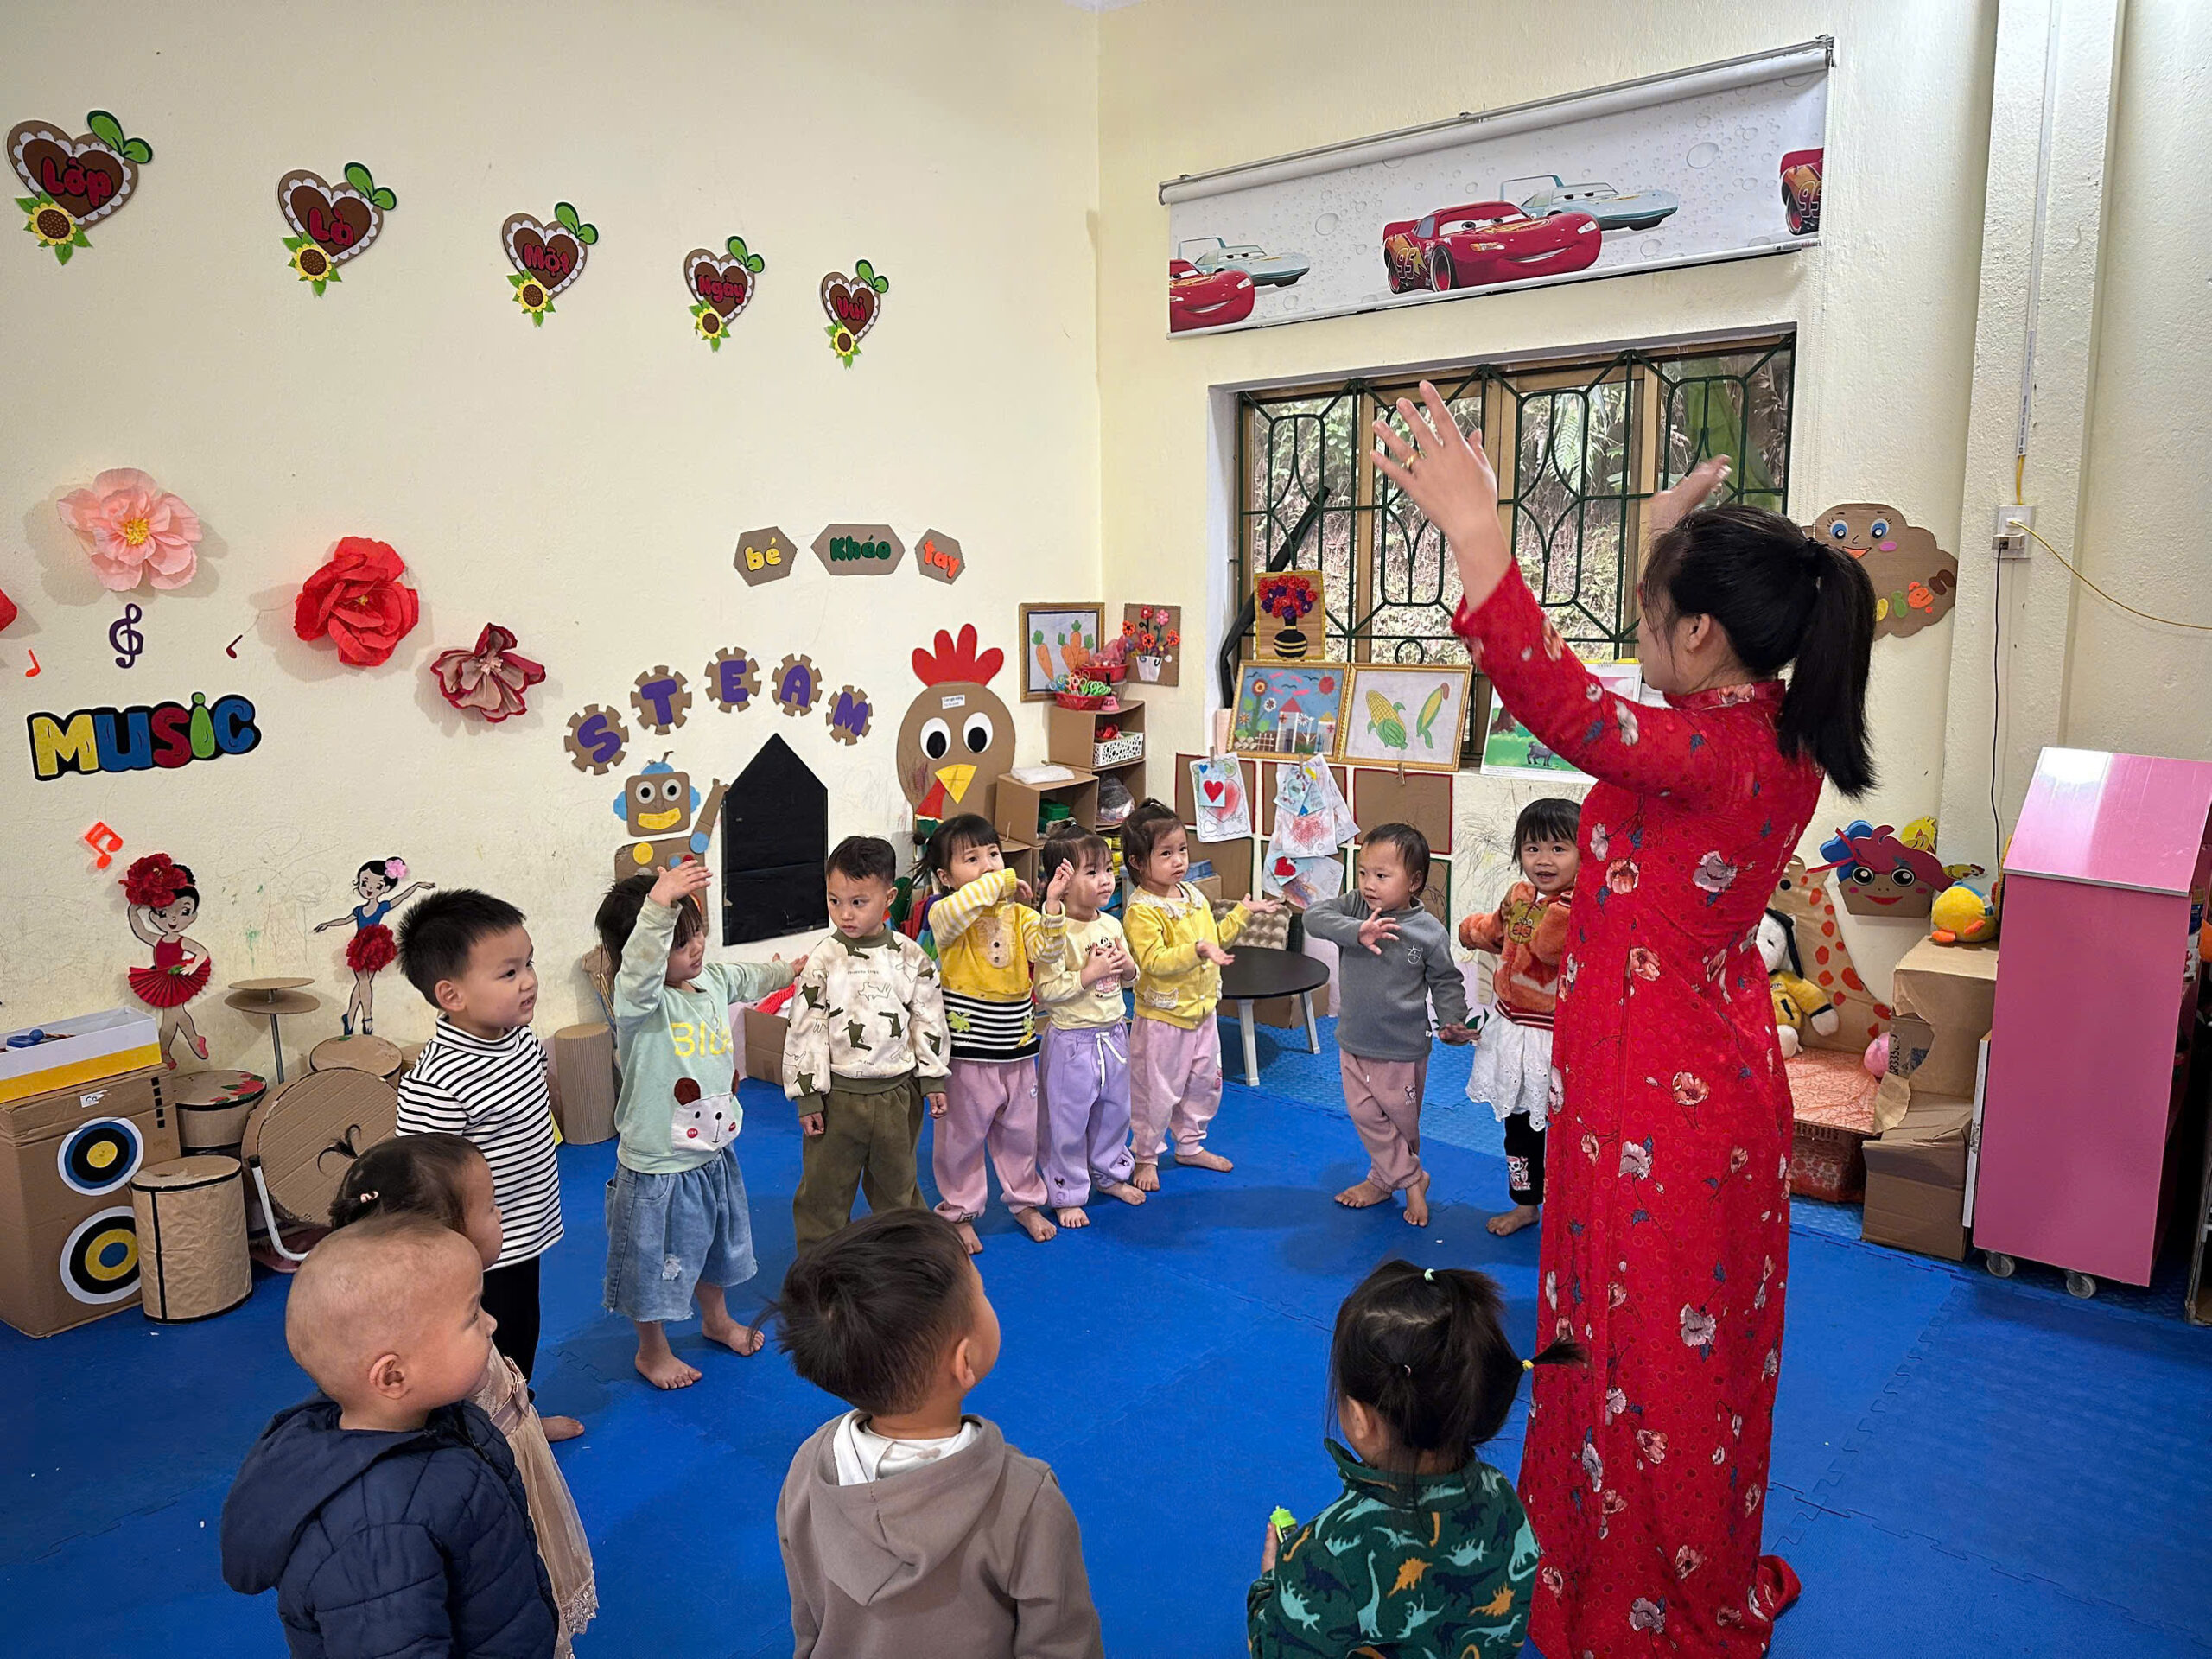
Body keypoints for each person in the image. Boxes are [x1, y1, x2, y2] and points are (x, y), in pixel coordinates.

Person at [1376, 381, 1876, 1655]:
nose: (1639, 638)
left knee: (1659, 1366)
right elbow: (1630, 713)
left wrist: (1479, 540)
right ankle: (1606, 1555)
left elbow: (1565, 706)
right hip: (1672, 1077)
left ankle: (1646, 1591)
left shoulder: (1716, 753)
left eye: (1653, 618)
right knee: (1643, 1354)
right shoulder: (1760, 727)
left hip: (1665, 1102)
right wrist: (1659, 546)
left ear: (1702, 634)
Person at [769, 1208, 1103, 1659]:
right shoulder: (1025, 1501)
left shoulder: (809, 1464)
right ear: (964, 1362)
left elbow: (808, 1612)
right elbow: (1062, 1645)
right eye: (981, 1293)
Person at [219, 1215, 558, 1659]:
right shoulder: (374, 1533)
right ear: (394, 1375)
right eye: (473, 1315)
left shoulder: (441, 1419)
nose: (492, 1323)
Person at [330, 1137, 595, 1654]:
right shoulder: (431, 1352)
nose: (503, 1215)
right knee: (515, 1596)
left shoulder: (456, 1313)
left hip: (512, 1454)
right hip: (490, 1489)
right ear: (443, 1240)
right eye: (492, 1207)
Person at [1247, 1261, 1578, 1657]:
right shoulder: (1502, 1495)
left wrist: (1273, 1584)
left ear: (1360, 1419)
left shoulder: (1326, 1551)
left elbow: (1278, 1651)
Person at [597, 858, 795, 1389]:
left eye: (698, 932)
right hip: (658, 1168)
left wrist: (790, 971)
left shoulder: (708, 981)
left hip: (712, 1153)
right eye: (678, 942)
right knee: (650, 1263)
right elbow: (641, 965)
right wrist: (659, 905)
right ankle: (652, 1350)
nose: (697, 947)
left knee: (715, 1248)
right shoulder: (640, 1003)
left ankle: (716, 1319)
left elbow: (749, 976)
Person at [394, 889, 573, 1435]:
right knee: (482, 1346)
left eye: (529, 964)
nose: (529, 981)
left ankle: (520, 1418)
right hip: (480, 1248)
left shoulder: (520, 1039)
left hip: (527, 1227)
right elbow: (422, 1182)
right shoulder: (439, 1079)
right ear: (452, 995)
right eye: (509, 973)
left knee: (522, 1333)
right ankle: (487, 1435)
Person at [784, 835, 951, 1251]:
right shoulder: (824, 959)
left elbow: (928, 1017)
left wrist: (933, 1078)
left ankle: (909, 1262)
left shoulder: (910, 957)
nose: (845, 913)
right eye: (834, 900)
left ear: (888, 898)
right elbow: (805, 1027)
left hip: (897, 1096)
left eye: (858, 902)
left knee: (899, 1191)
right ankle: (819, 1266)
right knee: (823, 1194)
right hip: (837, 1100)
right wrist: (808, 1096)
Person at [1302, 823, 1471, 1229]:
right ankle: (1412, 1179)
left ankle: (1383, 1180)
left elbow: (1446, 981)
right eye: (1363, 872)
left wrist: (1452, 1021)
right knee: (1365, 1115)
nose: (1368, 884)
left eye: (1382, 875)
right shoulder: (1356, 909)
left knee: (1401, 1124)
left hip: (1402, 1048)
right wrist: (1356, 931)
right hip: (1354, 1040)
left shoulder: (1428, 932)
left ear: (1413, 881)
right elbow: (1313, 917)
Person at [921, 814, 1064, 1251]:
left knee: (1021, 1133)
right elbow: (958, 909)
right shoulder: (944, 913)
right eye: (972, 859)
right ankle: (960, 1211)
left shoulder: (1018, 914)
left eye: (994, 854)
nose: (988, 865)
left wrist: (1051, 907)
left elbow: (1048, 951)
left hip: (1017, 1049)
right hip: (968, 1055)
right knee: (961, 1139)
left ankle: (1025, 1201)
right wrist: (1001, 881)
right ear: (946, 877)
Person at [1119, 799, 1278, 1191]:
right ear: (1138, 862)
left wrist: (1243, 913)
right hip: (1163, 1020)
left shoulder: (1192, 895)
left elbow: (1215, 939)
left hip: (1203, 1013)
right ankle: (1146, 1155)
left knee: (1205, 1084)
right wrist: (1198, 950)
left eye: (1182, 850)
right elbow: (1154, 961)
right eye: (1166, 854)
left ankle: (1189, 1145)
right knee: (1157, 1092)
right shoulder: (1142, 911)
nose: (1178, 861)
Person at [1457, 798, 1581, 1238]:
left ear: (1585, 852)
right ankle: (1525, 1203)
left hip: (1558, 1038)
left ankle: (1572, 1209)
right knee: (1518, 1127)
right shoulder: (1520, 895)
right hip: (1511, 1031)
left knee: (1567, 1131)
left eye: (1558, 849)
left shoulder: (1583, 906)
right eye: (1532, 848)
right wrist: (1471, 931)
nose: (1544, 860)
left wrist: (1559, 911)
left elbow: (1548, 950)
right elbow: (1499, 931)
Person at [1033, 825, 1146, 1227]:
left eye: (1107, 870)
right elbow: (1045, 990)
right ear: (1062, 882)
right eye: (1092, 872)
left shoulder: (1111, 925)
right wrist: (1088, 973)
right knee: (1067, 1121)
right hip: (1072, 1042)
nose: (1105, 880)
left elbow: (1130, 978)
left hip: (1113, 1033)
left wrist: (1128, 968)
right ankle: (1066, 1191)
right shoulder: (1055, 931)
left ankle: (1110, 1173)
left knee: (1115, 1111)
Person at [315, 856, 435, 1035]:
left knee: (363, 984)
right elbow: (345, 920)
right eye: (365, 883)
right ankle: (367, 1018)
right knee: (364, 982)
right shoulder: (359, 910)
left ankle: (350, 1016)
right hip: (360, 947)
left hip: (376, 946)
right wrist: (328, 924)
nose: (369, 889)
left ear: (385, 889)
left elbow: (401, 897)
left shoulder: (381, 907)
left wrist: (416, 886)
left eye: (377, 886)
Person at [122, 854, 211, 1067]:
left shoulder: (181, 941)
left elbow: (202, 953)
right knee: (174, 1013)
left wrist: (193, 966)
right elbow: (141, 931)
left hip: (177, 978)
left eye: (184, 911)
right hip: (162, 979)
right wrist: (133, 910)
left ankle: (165, 1052)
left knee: (172, 1013)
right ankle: (191, 1040)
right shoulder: (158, 940)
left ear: (192, 916)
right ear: (154, 916)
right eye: (163, 914)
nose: (172, 919)